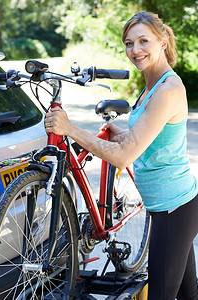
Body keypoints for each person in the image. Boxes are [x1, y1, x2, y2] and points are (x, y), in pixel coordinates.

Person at [45, 11, 198, 300]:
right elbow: (153, 138)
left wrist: (70, 129)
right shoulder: (151, 85)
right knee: (190, 295)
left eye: (143, 41)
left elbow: (123, 158)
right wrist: (124, 134)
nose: (135, 50)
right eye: (129, 43)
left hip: (173, 210)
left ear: (162, 41)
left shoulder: (167, 88)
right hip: (173, 205)